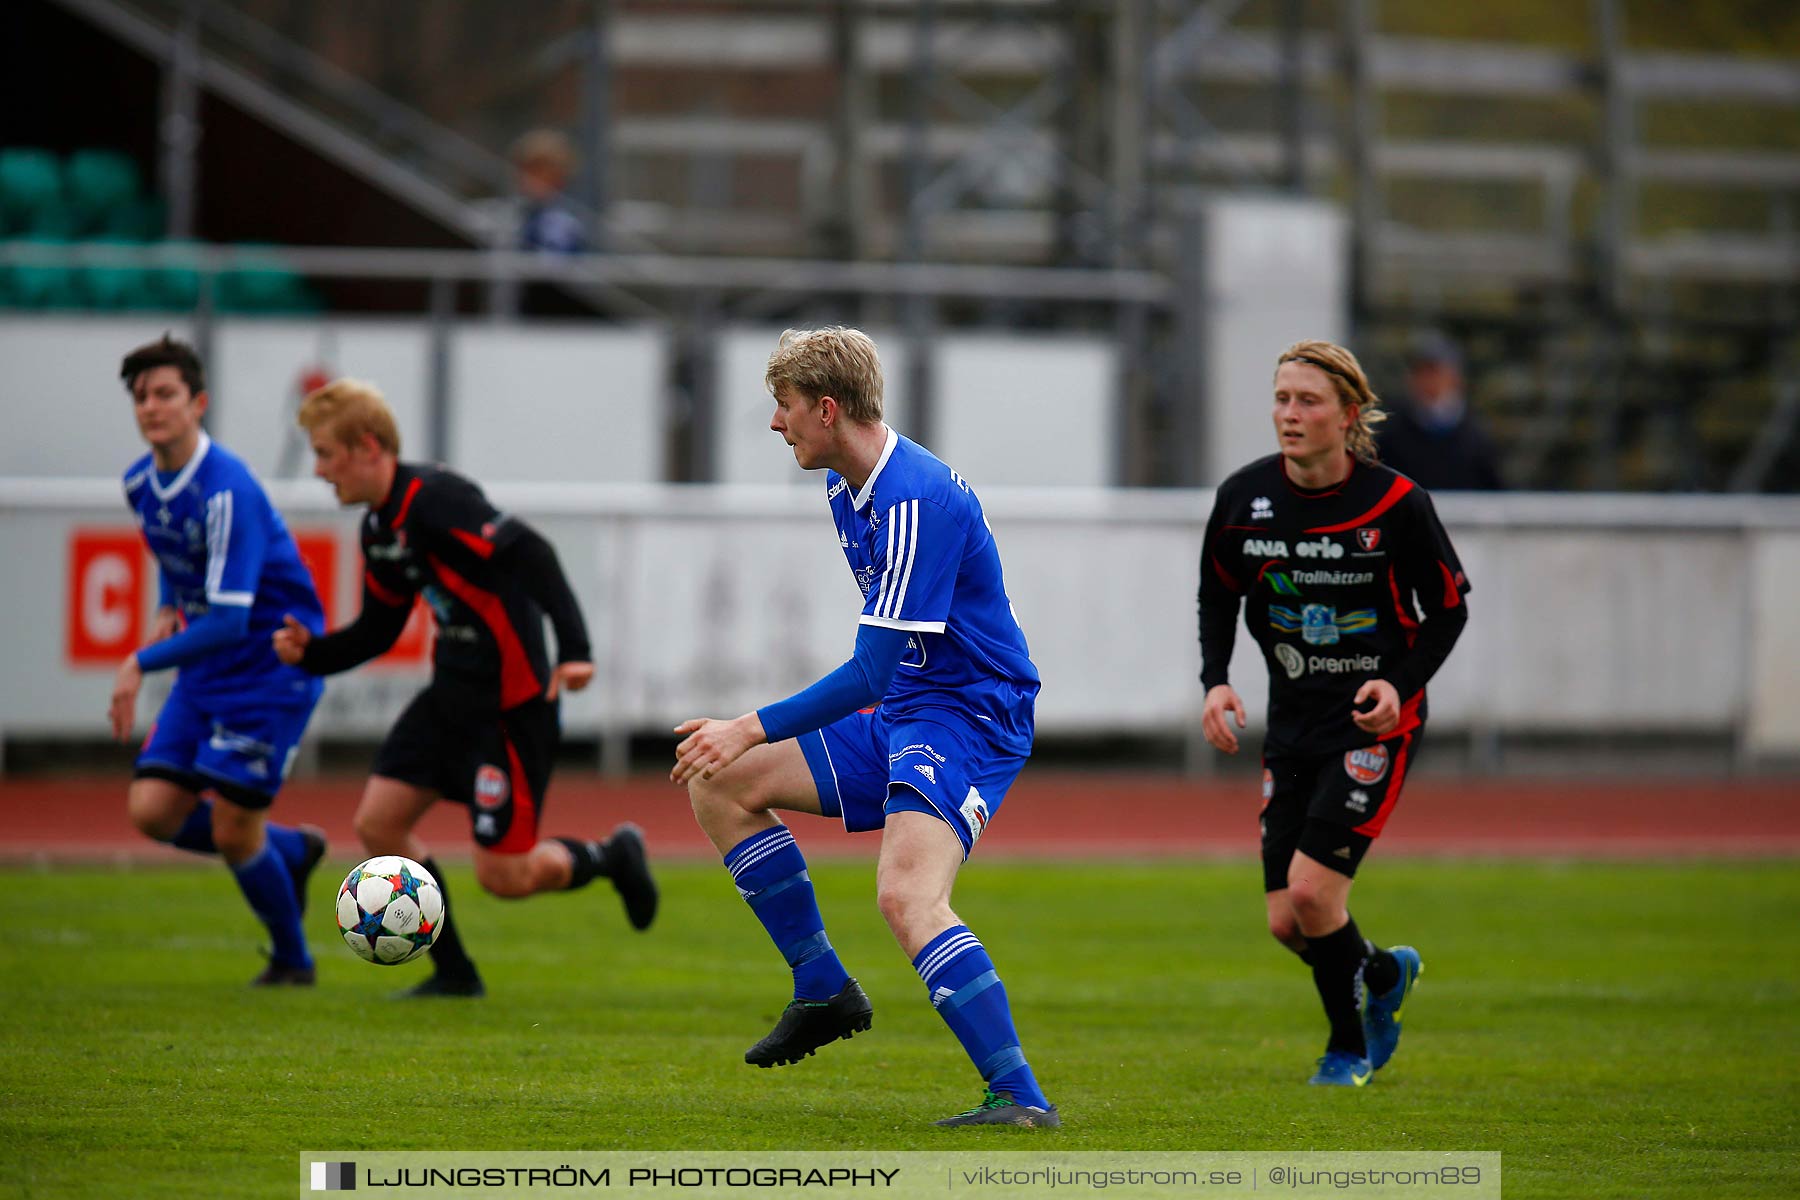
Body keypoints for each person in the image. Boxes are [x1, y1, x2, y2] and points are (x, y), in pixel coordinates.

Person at [671, 328, 1058, 1128]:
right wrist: (742, 742)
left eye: (783, 407)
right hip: (916, 703)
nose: (775, 424)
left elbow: (869, 674)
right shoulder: (850, 484)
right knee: (720, 782)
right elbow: (890, 674)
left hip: (970, 713)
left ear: (826, 407)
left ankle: (1020, 1098)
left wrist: (749, 723)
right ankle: (822, 987)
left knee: (907, 896)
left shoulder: (914, 498)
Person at [272, 378, 657, 998]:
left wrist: (576, 648)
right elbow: (378, 628)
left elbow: (532, 551)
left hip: (510, 705)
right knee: (378, 824)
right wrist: (311, 654)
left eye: (325, 453)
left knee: (504, 876)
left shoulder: (436, 498)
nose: (319, 470)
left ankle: (611, 856)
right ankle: (454, 973)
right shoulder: (379, 528)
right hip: (449, 695)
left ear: (367, 446)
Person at [1196, 339, 1471, 1086]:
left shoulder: (1397, 504)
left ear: (1349, 415)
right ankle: (1383, 975)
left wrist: (1399, 686)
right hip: (1292, 727)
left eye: (1308, 400)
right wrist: (1215, 681)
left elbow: (1447, 610)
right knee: (1288, 922)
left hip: (1371, 725)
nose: (1290, 414)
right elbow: (1219, 593)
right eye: (1283, 398)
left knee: (1316, 895)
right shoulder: (1243, 499)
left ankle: (1346, 1049)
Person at [111, 334, 329, 986]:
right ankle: (292, 850)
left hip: (270, 667)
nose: (152, 406)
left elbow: (233, 619)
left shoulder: (227, 489)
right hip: (210, 669)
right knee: (152, 810)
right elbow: (174, 556)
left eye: (166, 393)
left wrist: (140, 660)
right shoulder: (139, 482)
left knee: (236, 832)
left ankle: (294, 960)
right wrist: (164, 602)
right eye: (141, 395)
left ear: (198, 402)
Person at [1375, 331, 1504, 491]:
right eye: (1420, 372)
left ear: (1455, 377)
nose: (1429, 381)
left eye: (1435, 372)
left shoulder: (1477, 435)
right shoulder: (1392, 433)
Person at [512, 129, 587, 257]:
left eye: (541, 174)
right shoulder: (517, 213)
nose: (530, 180)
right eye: (527, 171)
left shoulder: (563, 223)